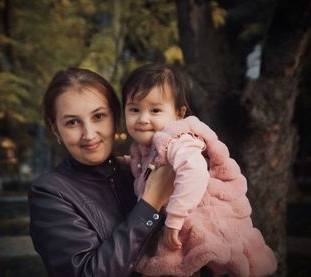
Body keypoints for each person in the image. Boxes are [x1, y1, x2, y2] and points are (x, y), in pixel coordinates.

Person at [121, 63, 277, 277]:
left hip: (202, 227)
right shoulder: (146, 148)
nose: (143, 119)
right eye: (134, 109)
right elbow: (150, 167)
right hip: (181, 232)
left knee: (198, 264)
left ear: (178, 114)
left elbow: (193, 172)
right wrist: (126, 161)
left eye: (155, 110)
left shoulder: (179, 141)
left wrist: (174, 219)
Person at [28, 67, 176, 277]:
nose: (89, 134)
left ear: (115, 117)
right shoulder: (49, 193)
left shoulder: (137, 169)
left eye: (98, 116)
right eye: (72, 122)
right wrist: (150, 203)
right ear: (55, 129)